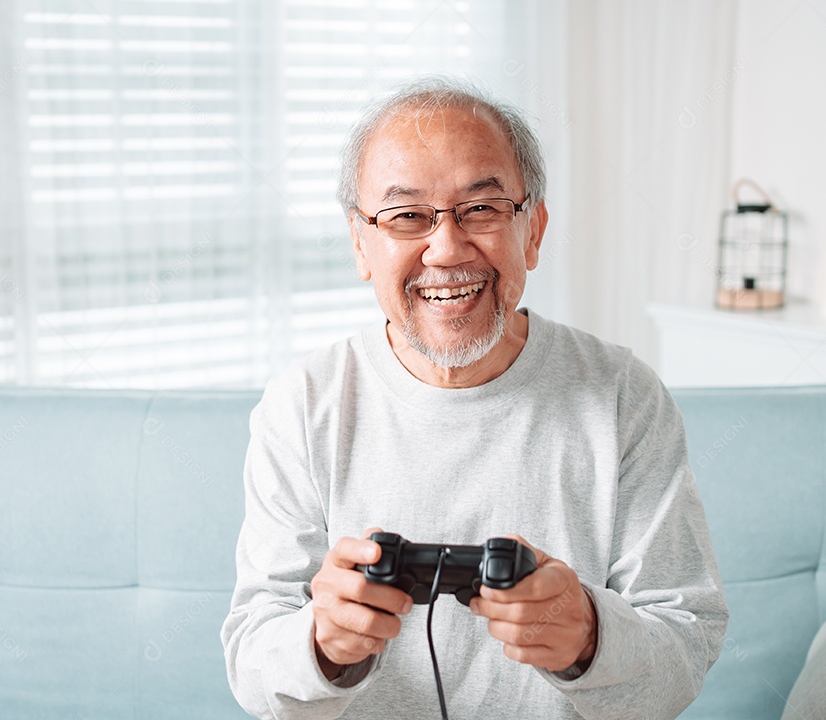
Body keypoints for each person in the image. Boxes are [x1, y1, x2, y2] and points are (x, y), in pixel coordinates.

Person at [221, 75, 728, 720]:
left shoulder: (624, 397)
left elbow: (685, 647)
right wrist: (323, 645)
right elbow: (253, 668)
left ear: (534, 230)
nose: (447, 248)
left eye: (482, 209)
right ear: (360, 244)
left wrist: (588, 637)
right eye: (407, 217)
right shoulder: (302, 405)